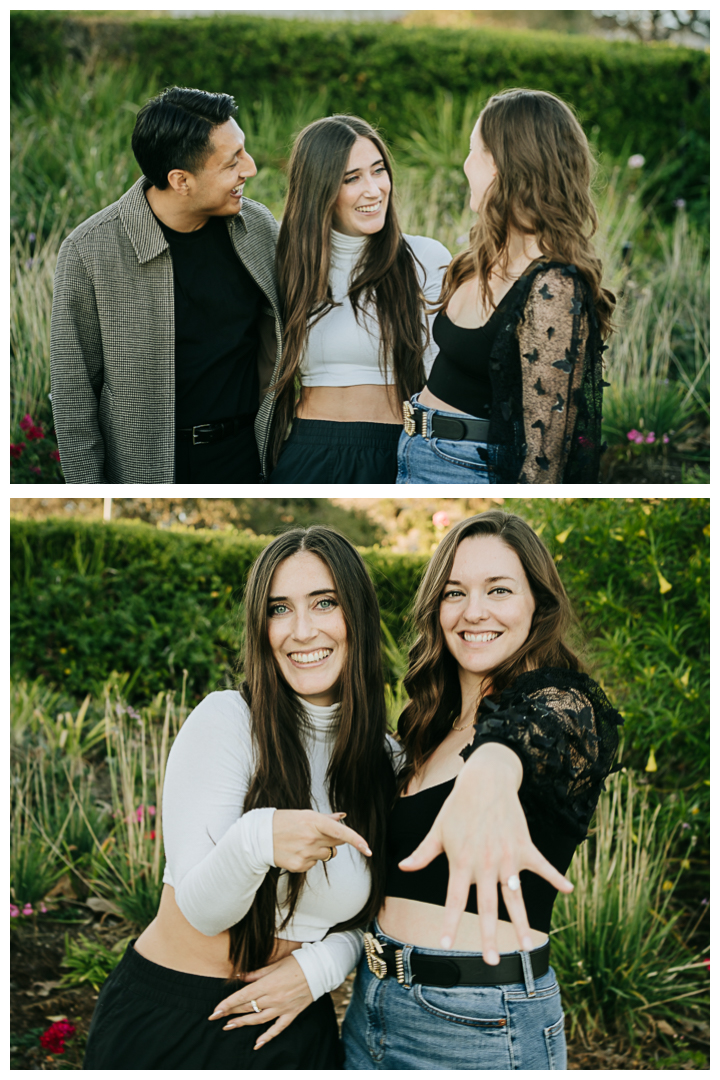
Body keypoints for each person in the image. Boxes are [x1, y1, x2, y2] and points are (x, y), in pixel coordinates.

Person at [83, 526, 397, 1068]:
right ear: (261, 625)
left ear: (358, 616)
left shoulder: (386, 759)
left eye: (325, 603)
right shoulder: (229, 719)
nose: (301, 630)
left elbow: (381, 913)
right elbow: (202, 911)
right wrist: (260, 838)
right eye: (279, 608)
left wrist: (318, 971)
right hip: (177, 1024)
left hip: (294, 1023)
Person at [342, 510, 623, 1069]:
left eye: (499, 590)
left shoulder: (562, 706)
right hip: (371, 1003)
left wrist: (491, 770)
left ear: (537, 605)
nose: (474, 612)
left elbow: (525, 736)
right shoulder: (425, 727)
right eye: (455, 592)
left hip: (479, 1026)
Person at [50, 86, 282, 484]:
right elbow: (73, 400)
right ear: (181, 180)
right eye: (232, 163)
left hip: (249, 458)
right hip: (149, 470)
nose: (251, 168)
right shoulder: (89, 252)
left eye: (243, 150)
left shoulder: (257, 228)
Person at [396, 89, 616, 485]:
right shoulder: (478, 258)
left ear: (500, 165)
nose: (464, 165)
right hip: (413, 450)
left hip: (467, 469)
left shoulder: (553, 285)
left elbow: (544, 459)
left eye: (472, 151)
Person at [268, 115, 451, 484]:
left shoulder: (425, 258)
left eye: (378, 171)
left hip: (396, 447)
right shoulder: (288, 267)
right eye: (352, 178)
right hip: (307, 448)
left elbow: (441, 377)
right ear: (319, 189)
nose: (373, 189)